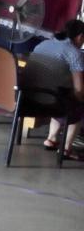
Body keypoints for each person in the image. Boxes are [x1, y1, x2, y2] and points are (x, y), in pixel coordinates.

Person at [23, 19, 84, 160]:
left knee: (60, 92)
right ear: (80, 37)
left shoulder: (42, 44)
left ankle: (51, 139)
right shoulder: (74, 53)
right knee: (78, 102)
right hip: (49, 102)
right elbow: (79, 90)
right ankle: (66, 148)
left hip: (28, 98)